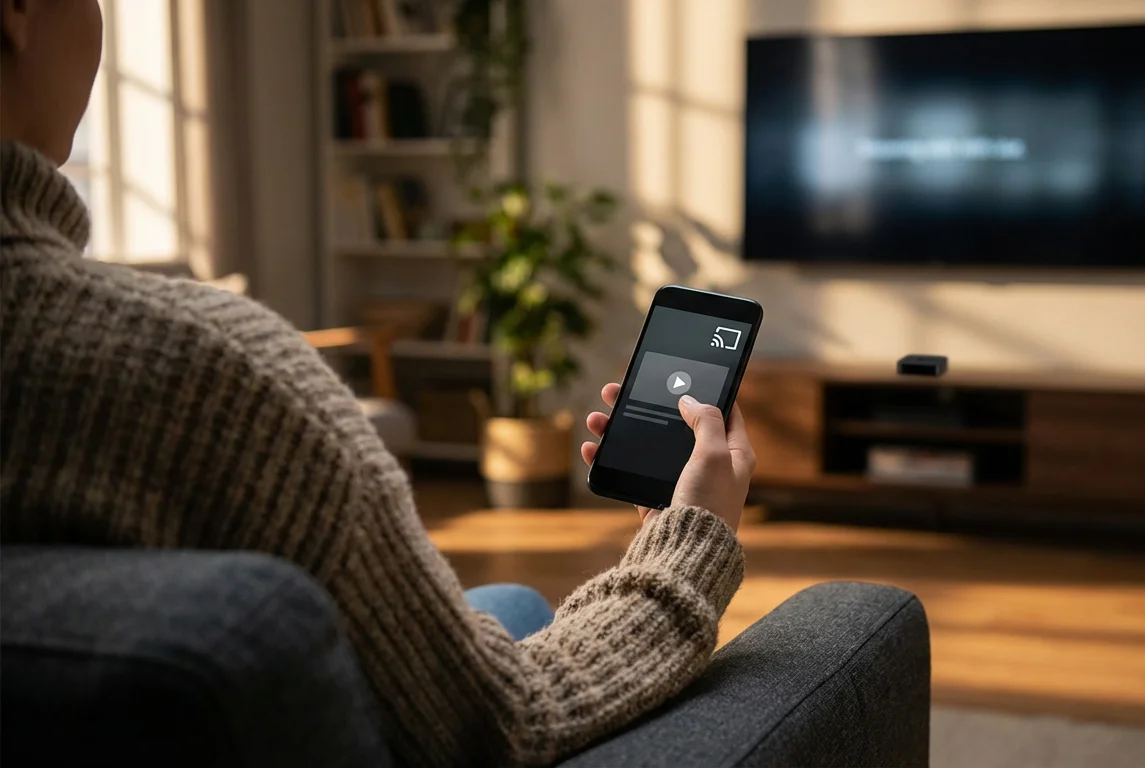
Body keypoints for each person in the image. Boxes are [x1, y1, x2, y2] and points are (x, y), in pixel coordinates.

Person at [0, 1, 756, 766]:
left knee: (518, 603)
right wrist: (691, 537)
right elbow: (495, 720)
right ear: (17, 13)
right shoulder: (209, 374)